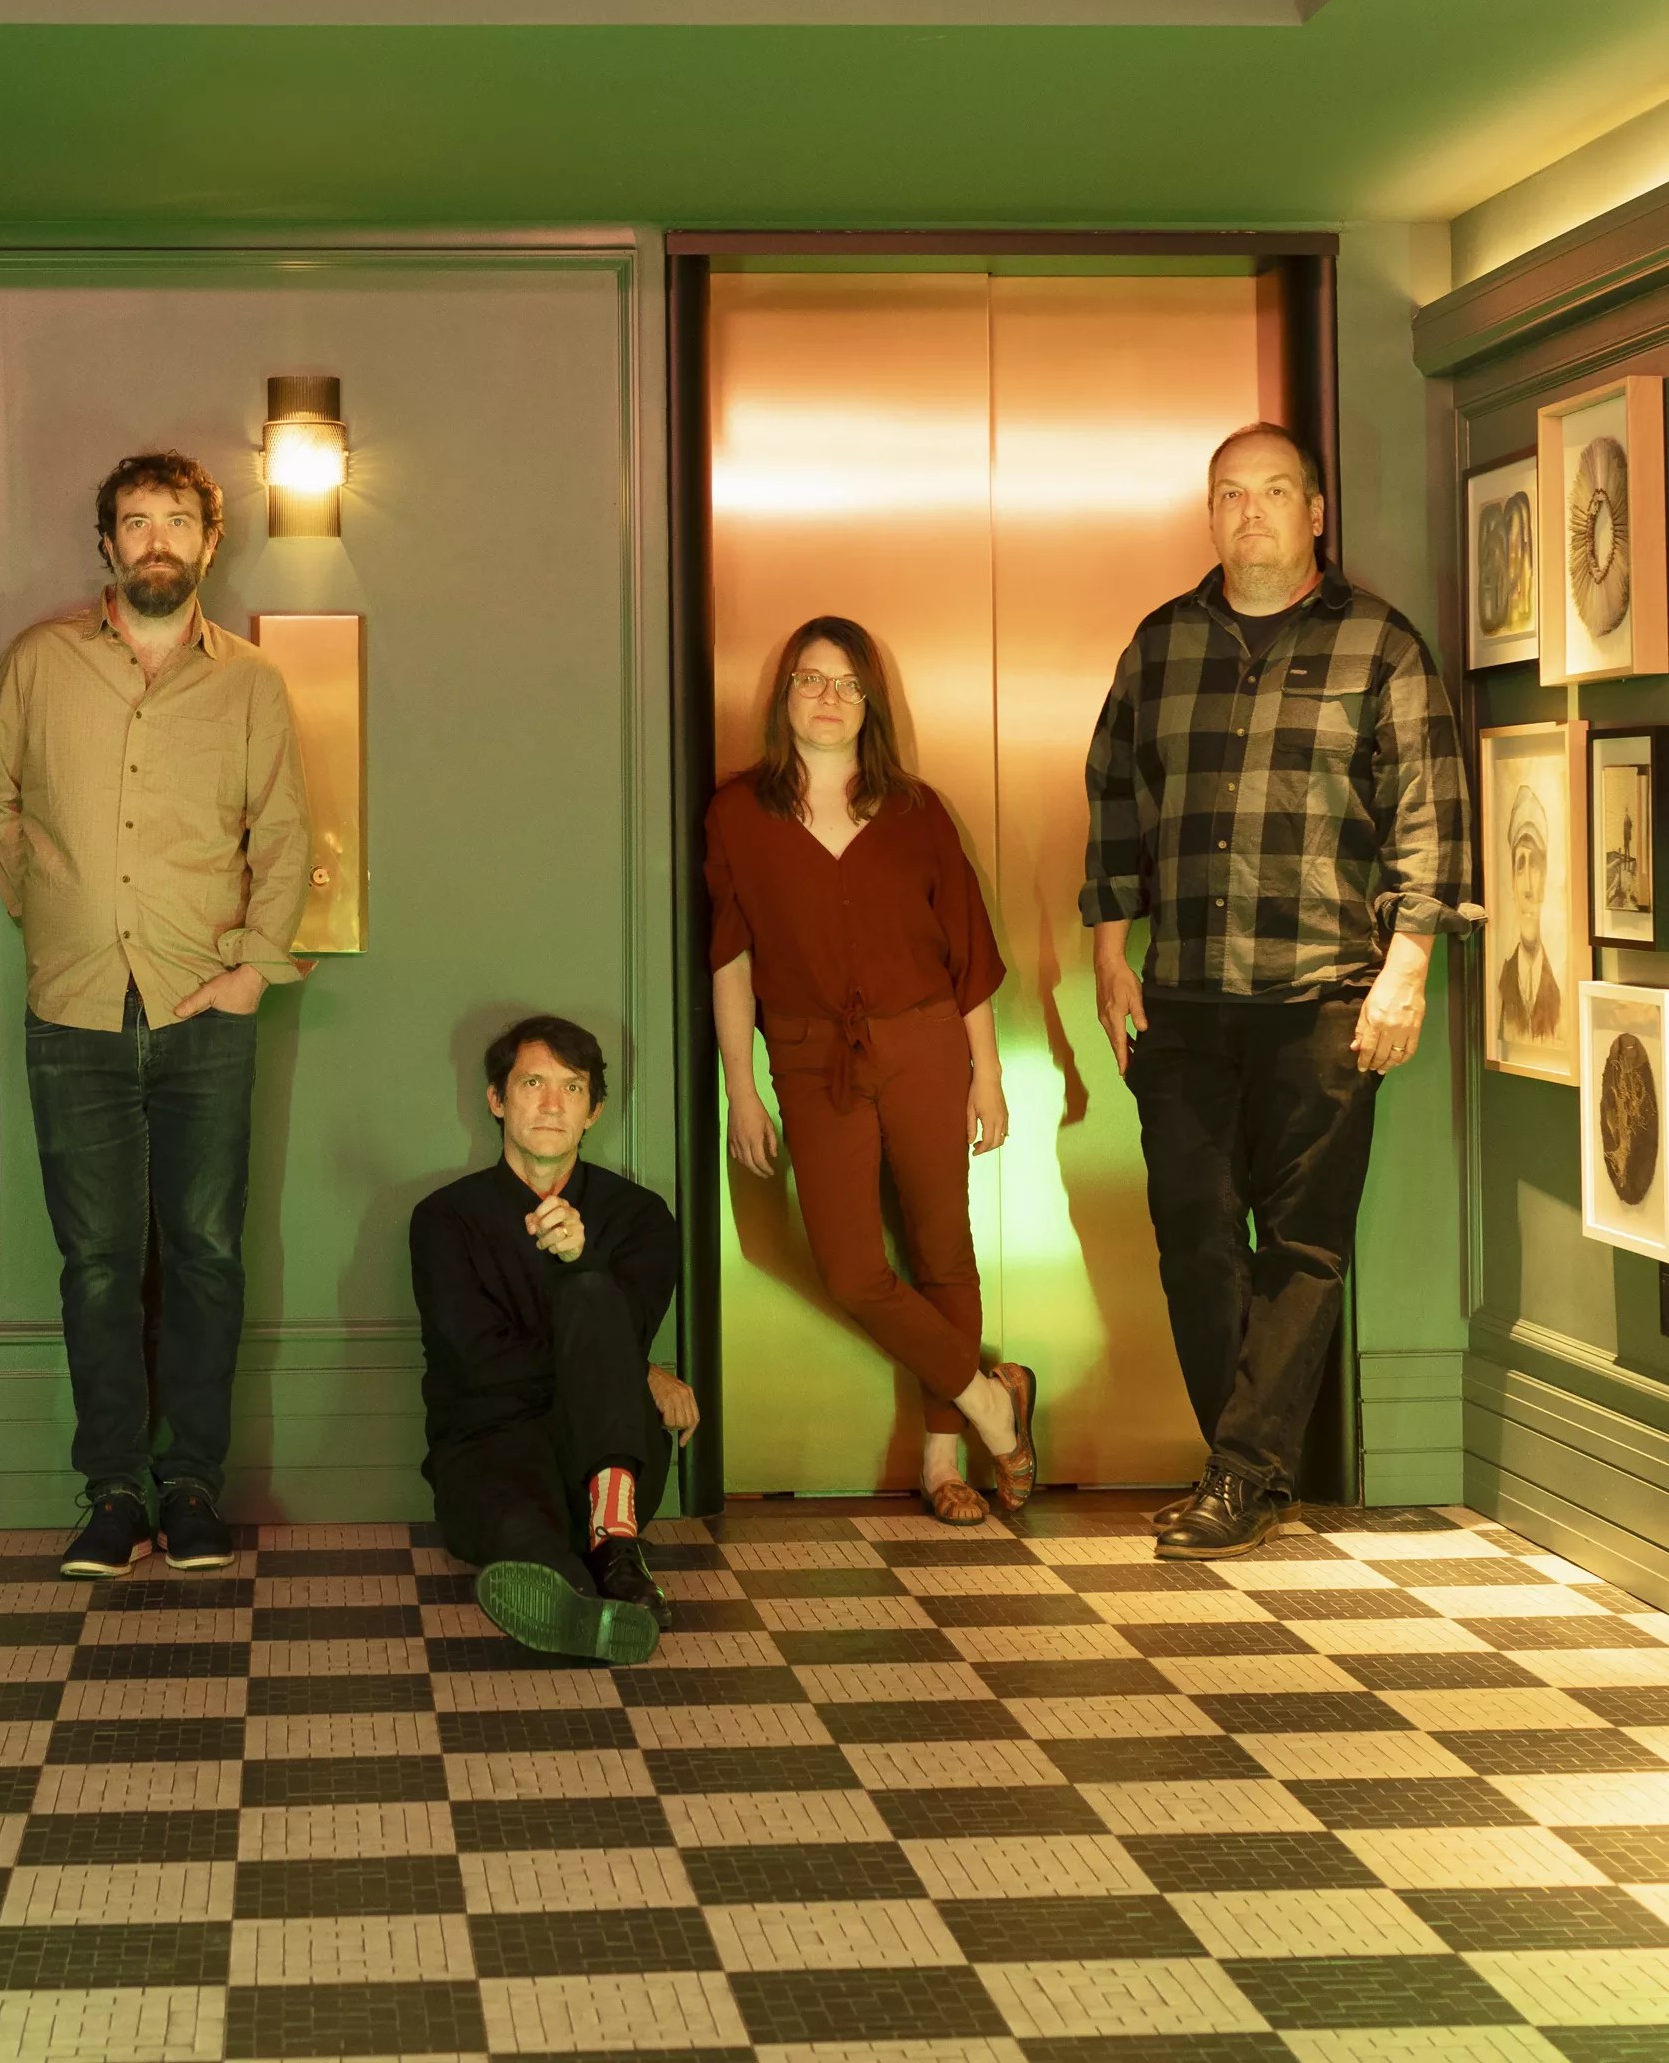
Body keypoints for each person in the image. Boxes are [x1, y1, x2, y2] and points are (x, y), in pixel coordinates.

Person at [1085, 421, 1477, 1559]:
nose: (1248, 511)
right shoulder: (1160, 644)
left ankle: (1241, 1475)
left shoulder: (1379, 645)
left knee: (1303, 1244)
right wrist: (1108, 950)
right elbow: (1112, 797)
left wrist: (1407, 969)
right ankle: (1244, 1469)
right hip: (1184, 997)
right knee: (1192, 1236)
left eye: (1271, 491)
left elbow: (1430, 813)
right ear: (1210, 515)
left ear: (1314, 511)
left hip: (1324, 996)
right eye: (1228, 493)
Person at [0, 451, 310, 1578]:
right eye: (133, 521)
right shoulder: (40, 662)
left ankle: (193, 1488)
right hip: (72, 1010)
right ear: (106, 543)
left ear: (210, 541)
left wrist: (252, 972)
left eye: (175, 520)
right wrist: (57, 916)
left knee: (206, 1256)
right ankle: (113, 1493)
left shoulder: (251, 683)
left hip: (206, 1009)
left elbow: (284, 834)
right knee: (98, 1264)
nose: (154, 539)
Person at [706, 618, 1039, 1525]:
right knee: (853, 1269)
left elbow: (967, 954)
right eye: (811, 679)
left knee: (943, 1249)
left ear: (871, 705)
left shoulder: (916, 812)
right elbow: (729, 958)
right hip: (811, 1058)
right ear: (783, 695)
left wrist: (987, 1074)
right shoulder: (737, 814)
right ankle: (993, 1403)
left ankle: (943, 1460)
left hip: (925, 1042)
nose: (829, 698)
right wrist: (742, 1087)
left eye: (849, 684)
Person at [412, 1017, 694, 1665]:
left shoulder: (642, 1218)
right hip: (490, 1449)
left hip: (610, 1459)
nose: (550, 1104)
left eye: (571, 1088)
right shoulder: (444, 1220)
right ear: (497, 1099)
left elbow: (619, 1333)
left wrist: (581, 1260)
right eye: (532, 1083)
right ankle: (583, 1595)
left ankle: (615, 1549)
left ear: (593, 1111)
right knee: (521, 1534)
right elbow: (479, 1363)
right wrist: (640, 1372)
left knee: (593, 1292)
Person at [1499, 785, 1561, 1047]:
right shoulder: (1501, 982)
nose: (1528, 888)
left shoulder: (1559, 989)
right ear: (1512, 882)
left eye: (1534, 865)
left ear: (1545, 878)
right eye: (1519, 866)